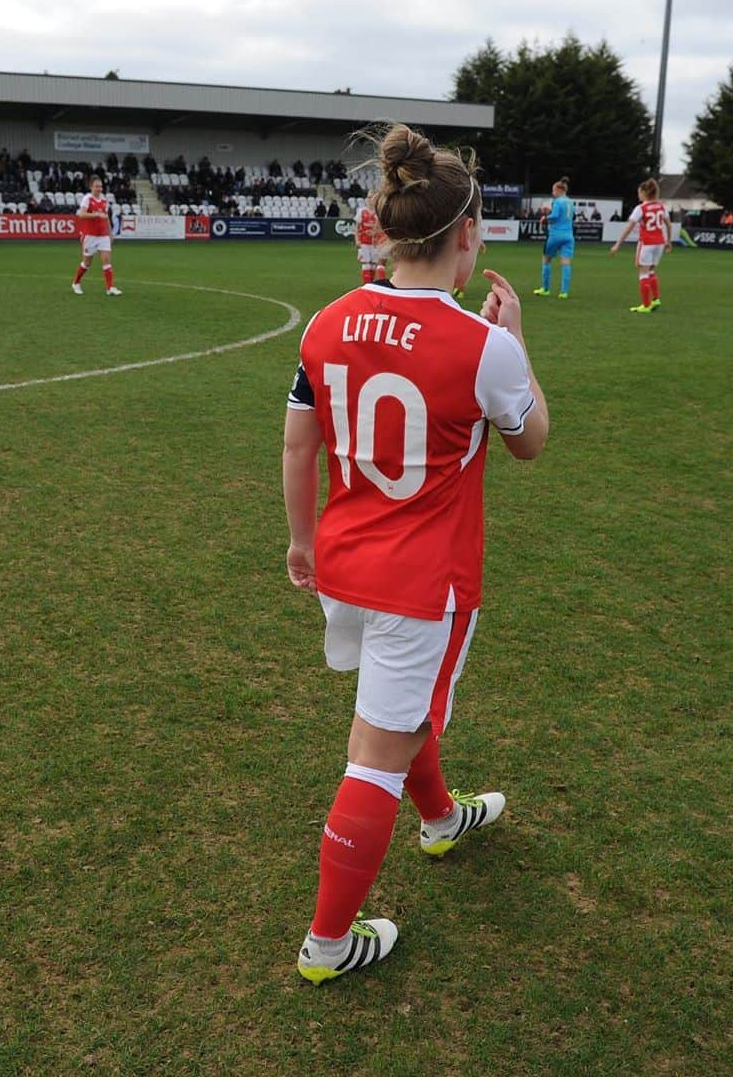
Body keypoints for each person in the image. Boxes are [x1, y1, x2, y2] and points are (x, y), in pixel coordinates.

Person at [283, 123, 549, 984]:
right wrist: (519, 345)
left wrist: (297, 541)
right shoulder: (483, 344)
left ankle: (440, 818)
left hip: (343, 564)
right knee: (375, 749)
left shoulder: (329, 319)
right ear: (467, 233)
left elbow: (300, 445)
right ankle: (327, 944)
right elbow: (531, 442)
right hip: (419, 581)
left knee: (402, 711)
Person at [609, 177, 672, 314]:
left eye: (639, 192)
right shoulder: (661, 206)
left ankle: (645, 305)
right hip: (659, 243)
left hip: (647, 243)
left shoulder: (641, 208)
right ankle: (655, 299)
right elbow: (668, 223)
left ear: (644, 192)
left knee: (642, 273)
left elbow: (629, 227)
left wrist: (617, 245)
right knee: (651, 271)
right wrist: (669, 241)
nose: (638, 195)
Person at [72, 176, 121, 296]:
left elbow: (106, 218)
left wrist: (110, 233)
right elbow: (82, 214)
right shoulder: (87, 199)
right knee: (87, 263)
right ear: (91, 187)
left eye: (100, 186)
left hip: (103, 235)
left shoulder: (104, 201)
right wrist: (97, 215)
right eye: (96, 186)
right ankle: (76, 283)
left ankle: (110, 288)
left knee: (106, 261)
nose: (99, 189)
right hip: (90, 236)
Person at [533, 176, 574, 299]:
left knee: (546, 260)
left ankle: (545, 289)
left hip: (556, 234)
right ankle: (564, 292)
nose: (553, 193)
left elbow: (555, 216)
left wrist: (545, 218)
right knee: (566, 263)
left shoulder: (557, 201)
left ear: (559, 190)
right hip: (569, 235)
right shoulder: (570, 202)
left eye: (554, 190)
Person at [353, 197, 387, 284]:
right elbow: (357, 227)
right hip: (364, 242)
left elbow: (382, 229)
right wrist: (357, 240)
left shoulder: (378, 213)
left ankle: (372, 284)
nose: (371, 199)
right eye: (369, 197)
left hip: (375, 242)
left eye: (372, 197)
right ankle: (367, 285)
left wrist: (374, 233)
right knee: (366, 263)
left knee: (374, 265)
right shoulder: (362, 211)